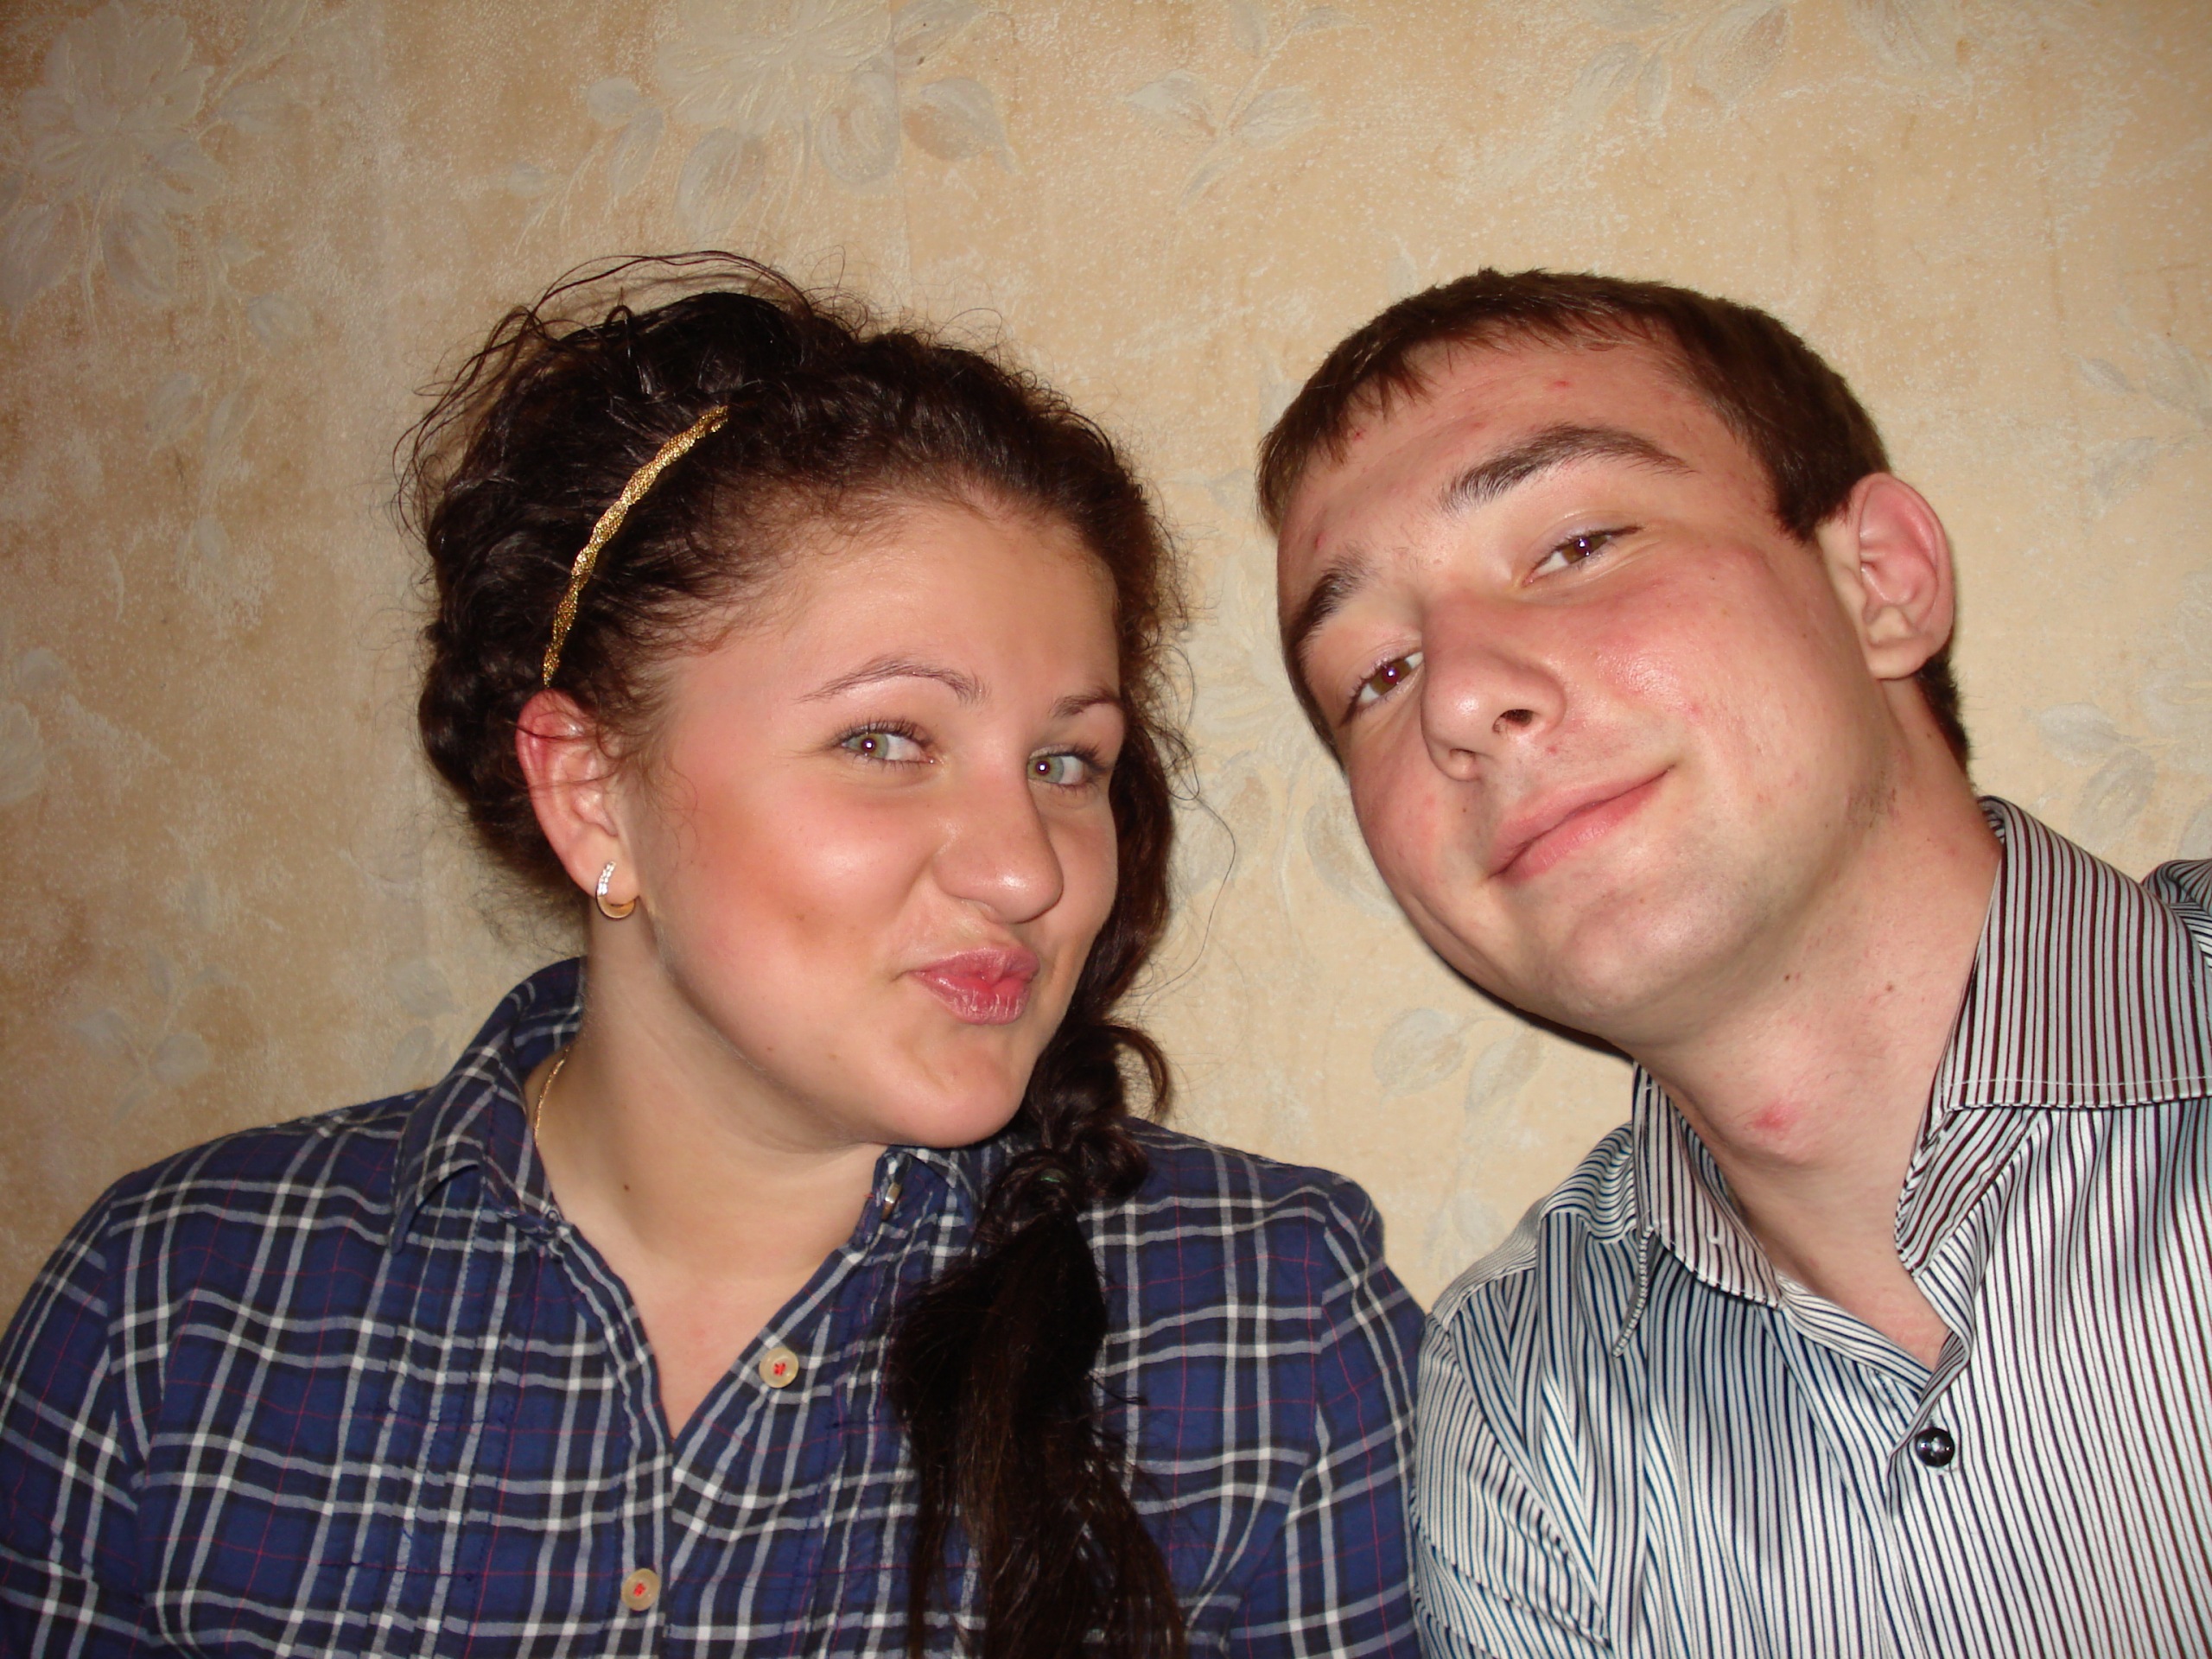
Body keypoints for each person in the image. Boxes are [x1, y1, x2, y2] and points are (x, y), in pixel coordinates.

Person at [0, 255, 1422, 1657]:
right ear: (592, 795)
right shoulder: (173, 1316)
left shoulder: (1271, 1329)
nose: (1028, 870)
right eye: (887, 739)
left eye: (1066, 761)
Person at [1258, 270, 2212, 1657]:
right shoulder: (1516, 1403)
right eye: (1377, 677)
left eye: (1576, 544)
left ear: (1878, 582)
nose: (1457, 696)